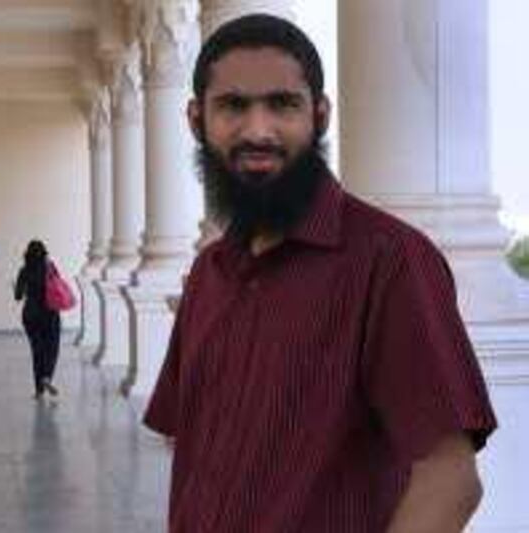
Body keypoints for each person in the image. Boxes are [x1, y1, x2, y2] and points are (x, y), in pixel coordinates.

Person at [143, 14, 497, 533]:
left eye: (283, 104)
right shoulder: (209, 273)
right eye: (233, 106)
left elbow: (450, 482)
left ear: (321, 115)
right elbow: (189, 443)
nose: (258, 130)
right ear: (197, 120)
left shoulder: (388, 260)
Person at [14, 240, 61, 399]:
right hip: (50, 313)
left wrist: (18, 287)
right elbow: (58, 285)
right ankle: (47, 376)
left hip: (30, 315)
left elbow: (18, 296)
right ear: (44, 253)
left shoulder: (24, 271)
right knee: (52, 348)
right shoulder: (50, 267)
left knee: (37, 351)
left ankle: (39, 390)